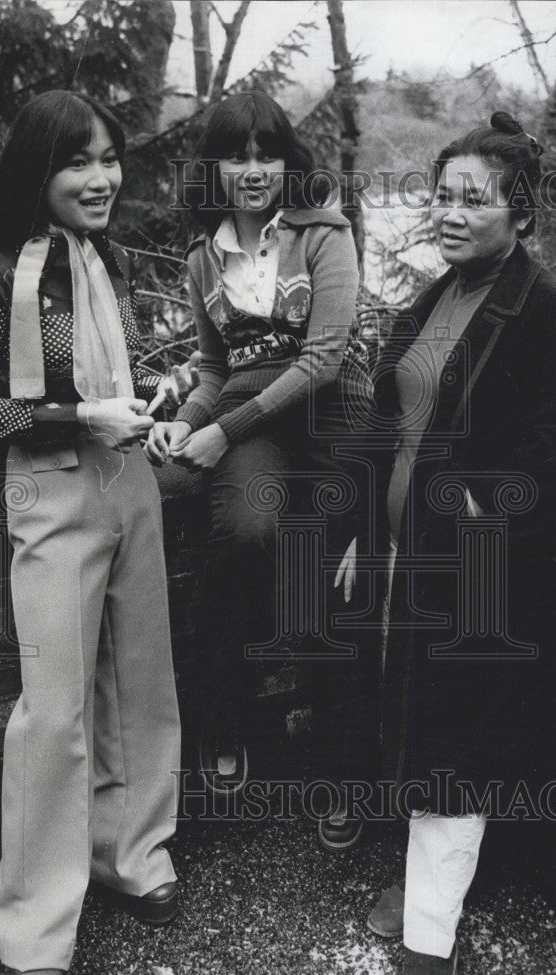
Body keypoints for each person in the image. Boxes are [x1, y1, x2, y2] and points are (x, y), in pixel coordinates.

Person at [0, 90, 192, 975]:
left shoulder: (107, 258)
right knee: (54, 711)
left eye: (109, 159)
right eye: (79, 162)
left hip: (132, 483)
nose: (101, 178)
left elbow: (117, 361)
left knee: (142, 677)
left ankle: (133, 852)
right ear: (37, 171)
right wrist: (80, 414)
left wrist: (155, 401)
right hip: (50, 489)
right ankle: (36, 927)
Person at [365, 112, 556, 975]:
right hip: (411, 559)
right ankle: (432, 880)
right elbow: (397, 417)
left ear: (523, 215)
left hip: (476, 569)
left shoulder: (549, 318)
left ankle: (432, 939)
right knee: (428, 734)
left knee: (453, 747)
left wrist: (477, 506)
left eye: (474, 198)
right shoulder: (439, 297)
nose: (449, 212)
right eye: (442, 194)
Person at [144, 91, 377, 823]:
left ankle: (346, 766)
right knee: (246, 533)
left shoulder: (324, 233)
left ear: (286, 161)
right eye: (237, 156)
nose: (253, 170)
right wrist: (184, 425)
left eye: (266, 154)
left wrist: (222, 430)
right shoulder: (202, 256)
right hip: (256, 427)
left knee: (333, 567)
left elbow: (324, 361)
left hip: (333, 419)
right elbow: (214, 371)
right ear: (213, 166)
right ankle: (224, 716)